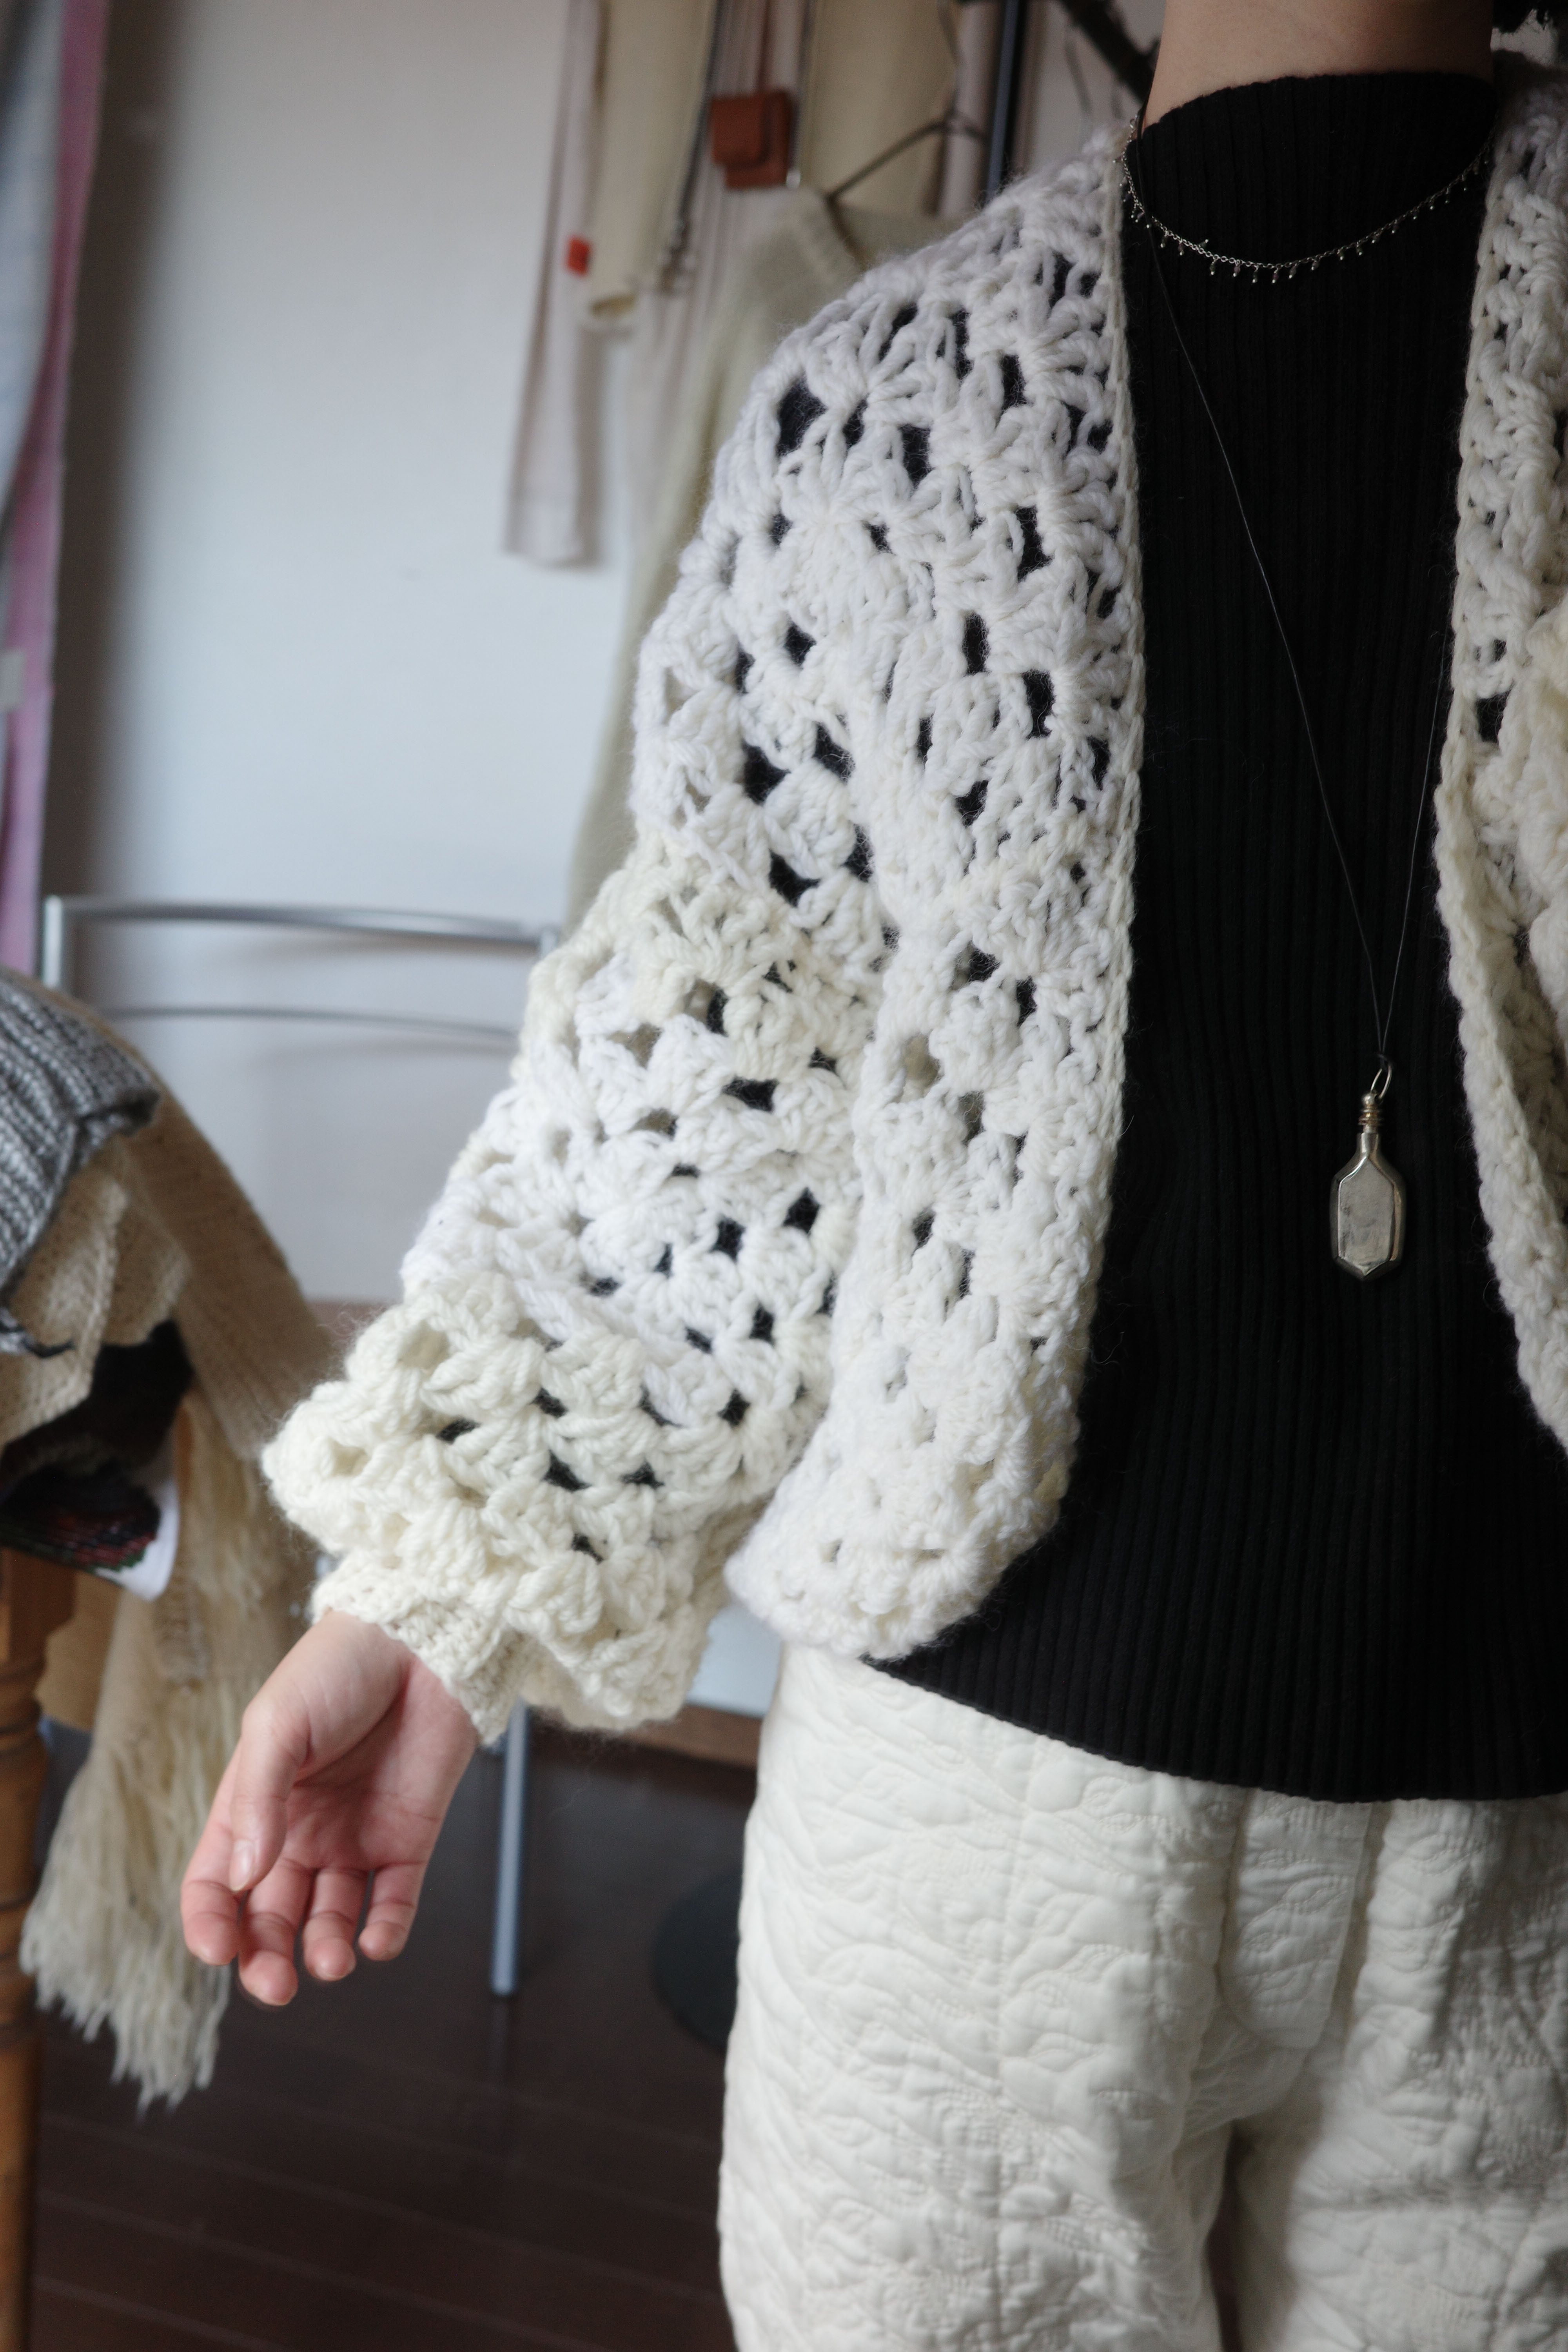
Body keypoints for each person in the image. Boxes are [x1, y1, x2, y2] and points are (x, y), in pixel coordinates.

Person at [182, 2, 1568, 2342]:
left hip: (1525, 1870)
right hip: (978, 1852)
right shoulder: (894, 415)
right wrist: (420, 1611)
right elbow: (705, 1094)